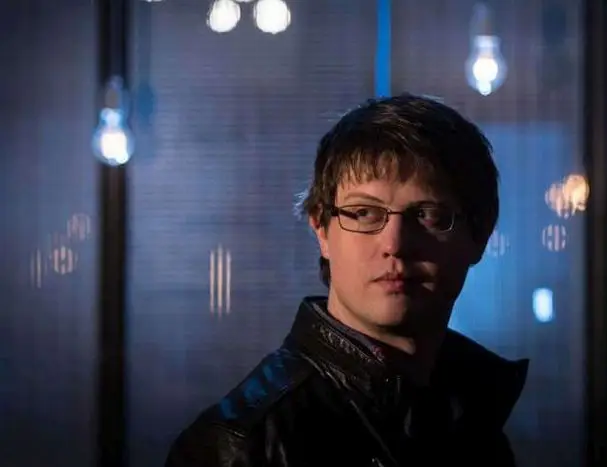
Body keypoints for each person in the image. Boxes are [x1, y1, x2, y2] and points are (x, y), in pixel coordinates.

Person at [165, 94, 529, 467]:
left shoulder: (472, 420)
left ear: (479, 235)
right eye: (363, 213)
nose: (395, 244)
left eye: (428, 214)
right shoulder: (240, 447)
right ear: (321, 230)